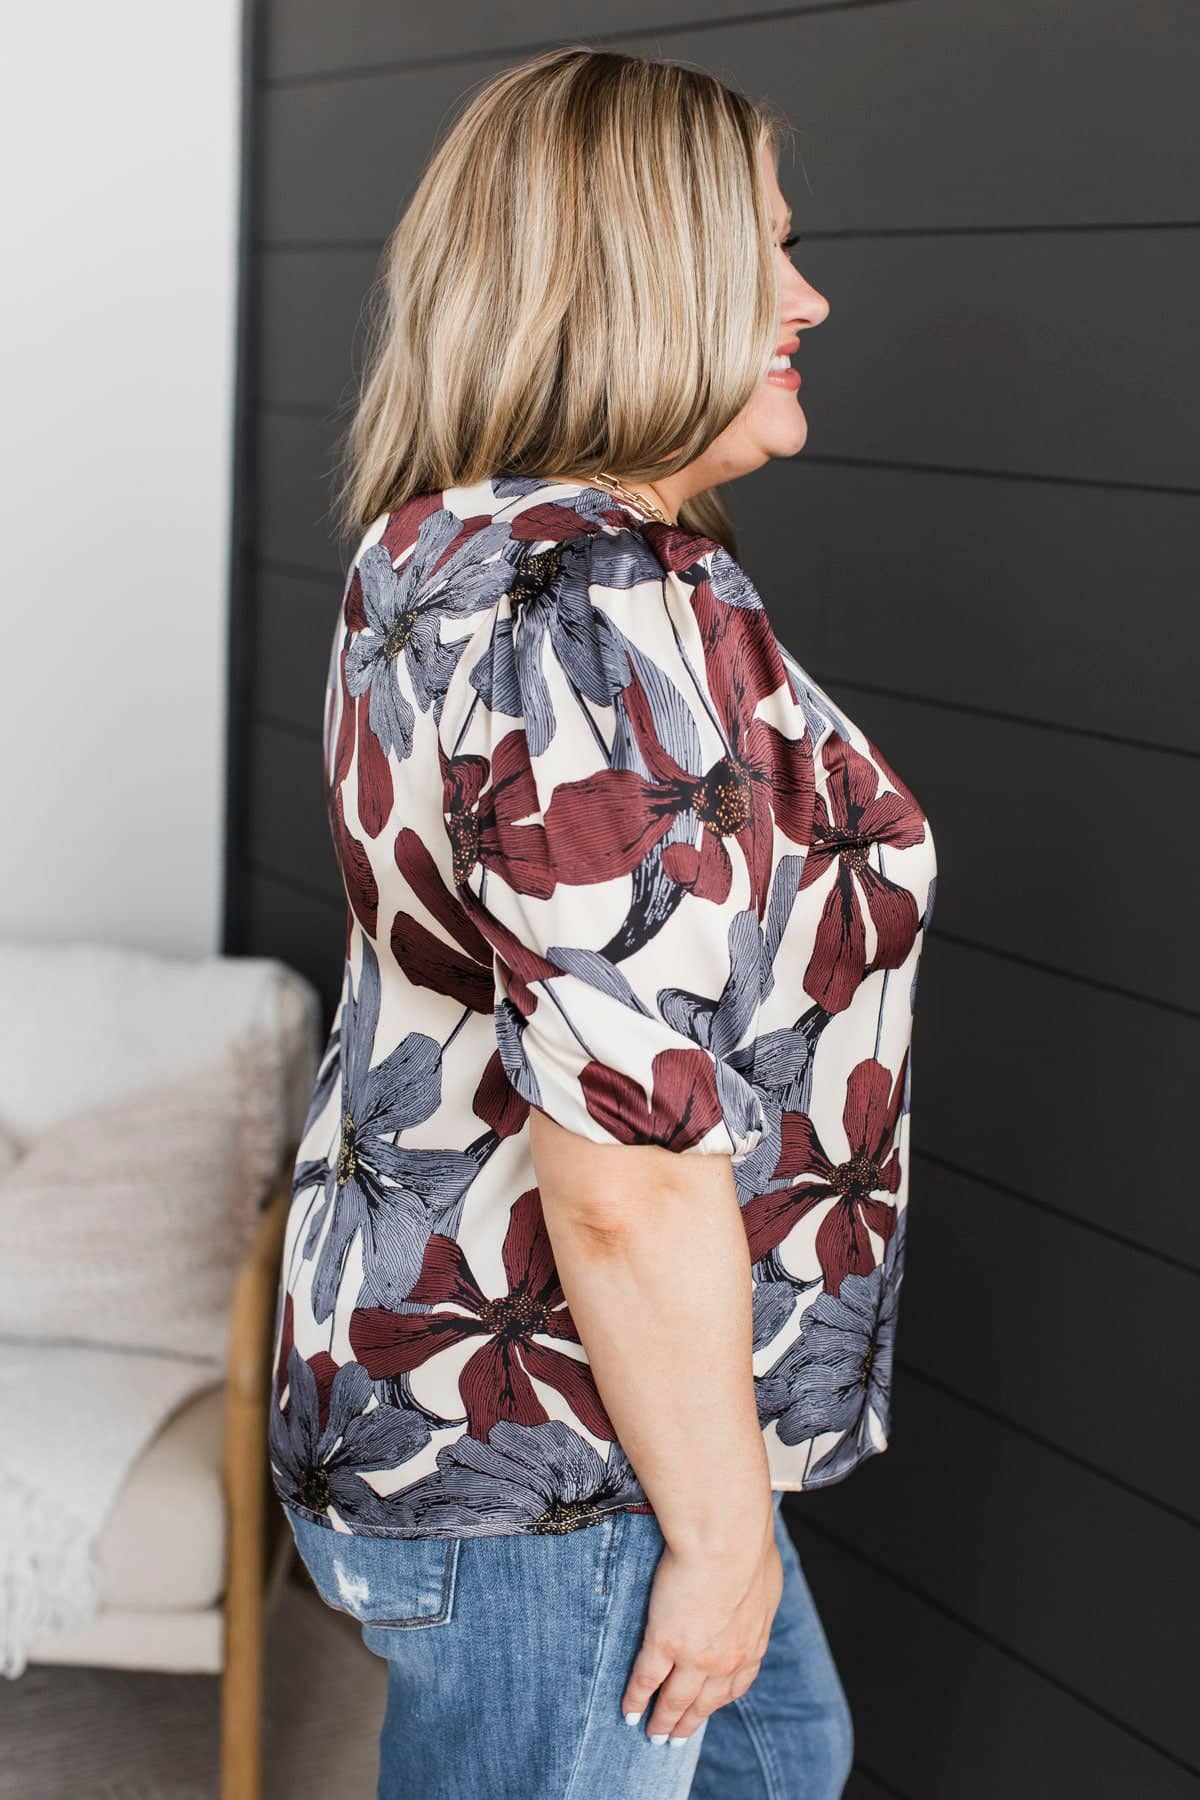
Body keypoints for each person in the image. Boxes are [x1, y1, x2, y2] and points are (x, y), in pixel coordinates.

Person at [267, 43, 937, 1800]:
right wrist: (717, 1537)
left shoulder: (442, 541)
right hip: (560, 1438)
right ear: (638, 281)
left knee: (784, 1758)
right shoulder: (593, 604)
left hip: (521, 1390)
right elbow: (626, 1164)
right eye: (761, 251)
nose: (808, 298)